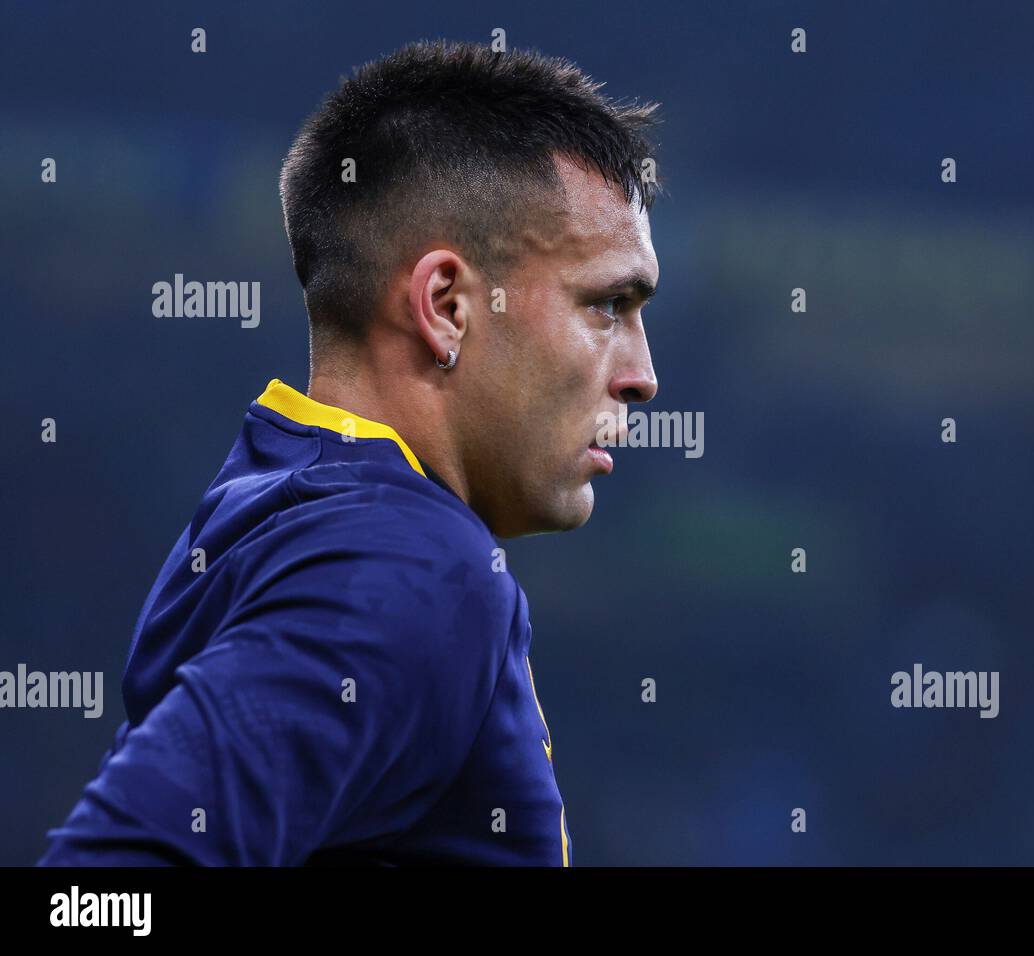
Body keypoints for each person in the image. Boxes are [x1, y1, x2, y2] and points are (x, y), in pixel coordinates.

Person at [39, 38, 662, 866]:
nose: (643, 377)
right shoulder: (412, 565)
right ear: (446, 306)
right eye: (608, 304)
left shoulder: (269, 494)